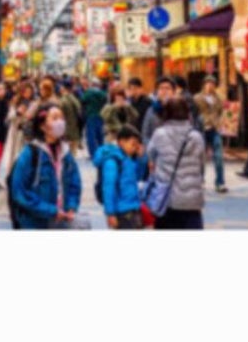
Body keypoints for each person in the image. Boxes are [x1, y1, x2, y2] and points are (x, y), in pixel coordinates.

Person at [8, 102, 82, 229]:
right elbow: (19, 192)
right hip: (34, 222)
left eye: (62, 118)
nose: (60, 122)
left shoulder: (65, 153)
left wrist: (71, 206)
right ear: (43, 126)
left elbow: (74, 183)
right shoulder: (30, 154)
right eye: (54, 118)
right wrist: (50, 210)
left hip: (61, 220)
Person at [144, 95, 207, 230]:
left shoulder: (159, 134)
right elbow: (201, 165)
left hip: (167, 198)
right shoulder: (196, 137)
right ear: (187, 113)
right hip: (192, 200)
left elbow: (150, 154)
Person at [93, 123, 149, 229]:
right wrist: (110, 213)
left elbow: (137, 178)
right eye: (133, 144)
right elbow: (109, 188)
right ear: (122, 142)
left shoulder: (128, 159)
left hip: (133, 207)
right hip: (122, 211)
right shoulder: (112, 161)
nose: (135, 148)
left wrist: (141, 158)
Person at [194, 77, 229, 193]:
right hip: (202, 129)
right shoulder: (197, 98)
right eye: (208, 83)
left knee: (218, 157)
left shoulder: (218, 99)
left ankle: (220, 182)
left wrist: (219, 122)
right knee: (200, 157)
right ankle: (199, 181)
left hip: (215, 129)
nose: (210, 86)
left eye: (212, 83)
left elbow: (221, 112)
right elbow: (194, 113)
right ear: (204, 85)